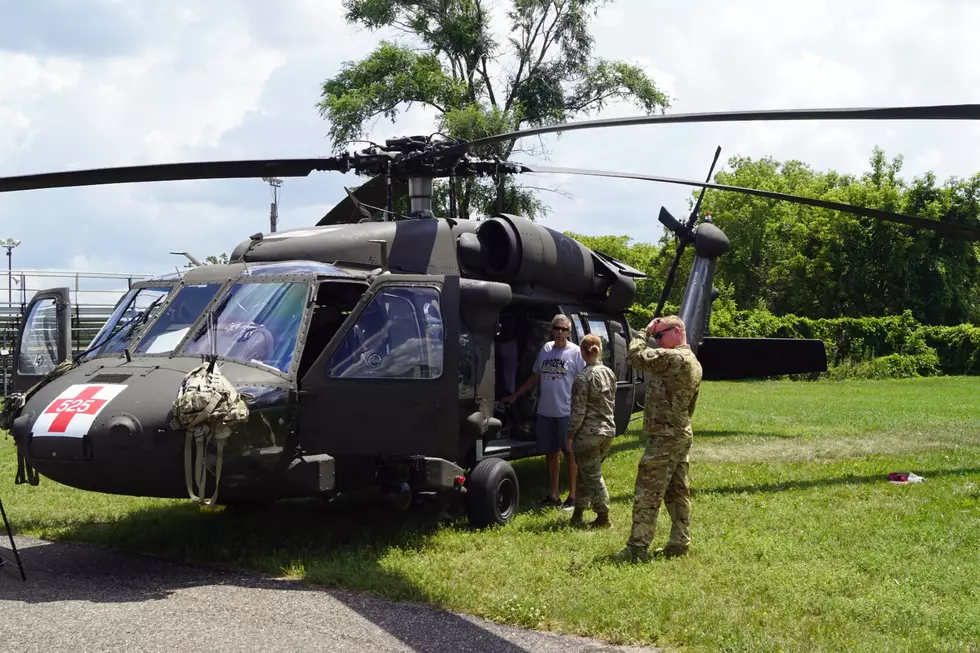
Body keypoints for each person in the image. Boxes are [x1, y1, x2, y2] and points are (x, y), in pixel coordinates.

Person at [617, 315, 702, 561]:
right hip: (680, 432)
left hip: (665, 437)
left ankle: (637, 547)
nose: (658, 340)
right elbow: (691, 405)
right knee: (677, 490)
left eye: (660, 335)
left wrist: (643, 332)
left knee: (647, 490)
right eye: (656, 337)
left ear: (677, 332)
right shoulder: (694, 361)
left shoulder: (673, 357)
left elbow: (634, 357)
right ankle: (680, 541)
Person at [504, 313, 585, 507]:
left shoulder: (575, 353)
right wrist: (516, 395)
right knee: (550, 453)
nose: (559, 332)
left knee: (569, 452)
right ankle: (553, 494)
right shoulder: (546, 350)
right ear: (551, 330)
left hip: (566, 412)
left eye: (563, 329)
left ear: (569, 332)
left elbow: (585, 380)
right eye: (556, 328)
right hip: (545, 413)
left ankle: (573, 496)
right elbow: (536, 375)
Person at [565, 333, 617, 528]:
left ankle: (603, 517)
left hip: (588, 434)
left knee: (592, 475)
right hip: (607, 431)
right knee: (585, 473)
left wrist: (570, 435)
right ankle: (577, 514)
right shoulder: (609, 373)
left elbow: (578, 412)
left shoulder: (583, 377)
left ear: (582, 352)